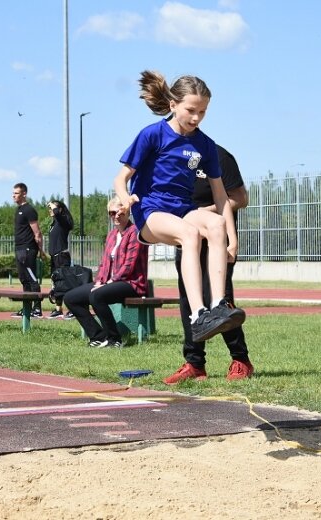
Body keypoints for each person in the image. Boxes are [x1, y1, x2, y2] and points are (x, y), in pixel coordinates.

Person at [113, 70, 245, 353]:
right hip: (150, 210)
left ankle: (218, 307)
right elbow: (120, 178)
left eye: (203, 112)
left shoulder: (205, 145)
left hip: (183, 208)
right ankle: (198, 315)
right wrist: (125, 199)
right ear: (173, 104)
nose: (196, 118)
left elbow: (221, 197)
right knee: (190, 233)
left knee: (215, 225)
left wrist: (232, 238)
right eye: (191, 110)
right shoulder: (153, 135)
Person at [167, 145, 253, 384]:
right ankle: (194, 363)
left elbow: (238, 198)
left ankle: (241, 360)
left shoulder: (219, 156)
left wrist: (200, 213)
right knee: (189, 301)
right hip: (188, 239)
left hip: (216, 240)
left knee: (219, 302)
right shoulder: (172, 157)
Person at [63, 196, 149, 348]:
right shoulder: (111, 235)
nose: (116, 216)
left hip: (132, 283)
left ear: (127, 213)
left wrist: (109, 283)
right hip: (110, 283)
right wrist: (98, 282)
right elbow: (103, 264)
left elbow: (128, 266)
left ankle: (115, 339)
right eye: (112, 213)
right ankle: (98, 336)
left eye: (120, 213)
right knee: (71, 298)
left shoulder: (135, 232)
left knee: (96, 295)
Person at [11, 183, 46, 318]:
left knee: (31, 279)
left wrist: (41, 250)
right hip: (19, 248)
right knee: (23, 279)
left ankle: (37, 309)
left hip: (28, 249)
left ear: (24, 194)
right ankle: (27, 308)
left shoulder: (29, 210)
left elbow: (37, 233)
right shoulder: (18, 209)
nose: (13, 195)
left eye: (16, 193)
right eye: (13, 193)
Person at [46, 199, 75, 319]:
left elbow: (58, 214)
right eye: (49, 208)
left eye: (52, 208)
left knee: (65, 284)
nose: (50, 210)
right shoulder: (54, 224)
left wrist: (54, 206)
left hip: (62, 257)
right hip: (54, 257)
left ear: (60, 209)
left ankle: (73, 309)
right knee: (56, 284)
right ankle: (58, 310)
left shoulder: (63, 221)